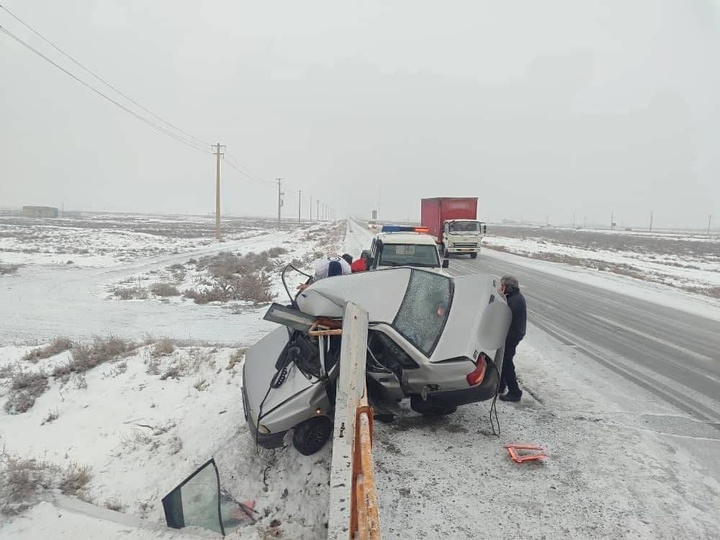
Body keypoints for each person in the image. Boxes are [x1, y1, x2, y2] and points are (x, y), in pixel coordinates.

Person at [498, 275, 527, 402]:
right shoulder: (514, 297)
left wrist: (500, 297)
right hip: (514, 333)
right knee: (504, 361)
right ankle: (501, 385)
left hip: (512, 335)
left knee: (506, 362)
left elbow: (503, 317)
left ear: (507, 287)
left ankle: (515, 392)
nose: (500, 287)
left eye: (502, 285)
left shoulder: (513, 301)